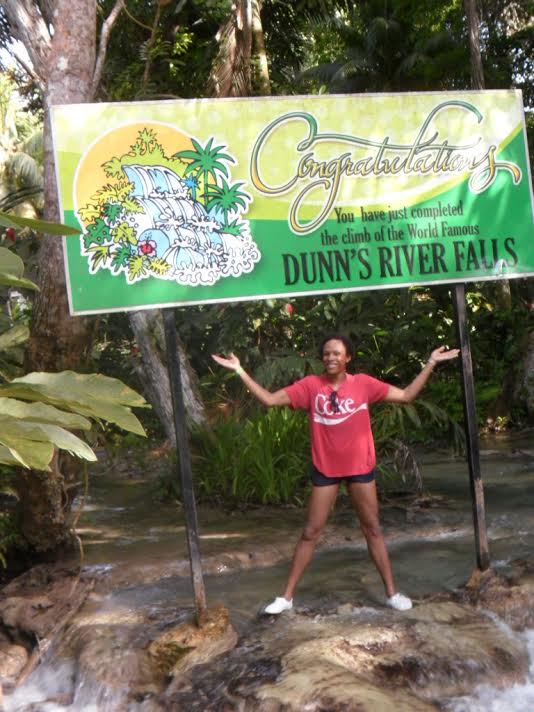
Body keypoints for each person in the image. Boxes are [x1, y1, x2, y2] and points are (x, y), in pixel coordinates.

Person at [212, 333, 459, 614]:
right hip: (326, 469)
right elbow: (269, 400)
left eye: (337, 353)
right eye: (327, 353)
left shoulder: (364, 384)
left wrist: (431, 362)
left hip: (360, 468)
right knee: (310, 531)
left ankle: (392, 593)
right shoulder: (310, 386)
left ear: (348, 358)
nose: (331, 357)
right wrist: (240, 370)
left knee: (373, 529)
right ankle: (286, 598)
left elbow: (406, 395)